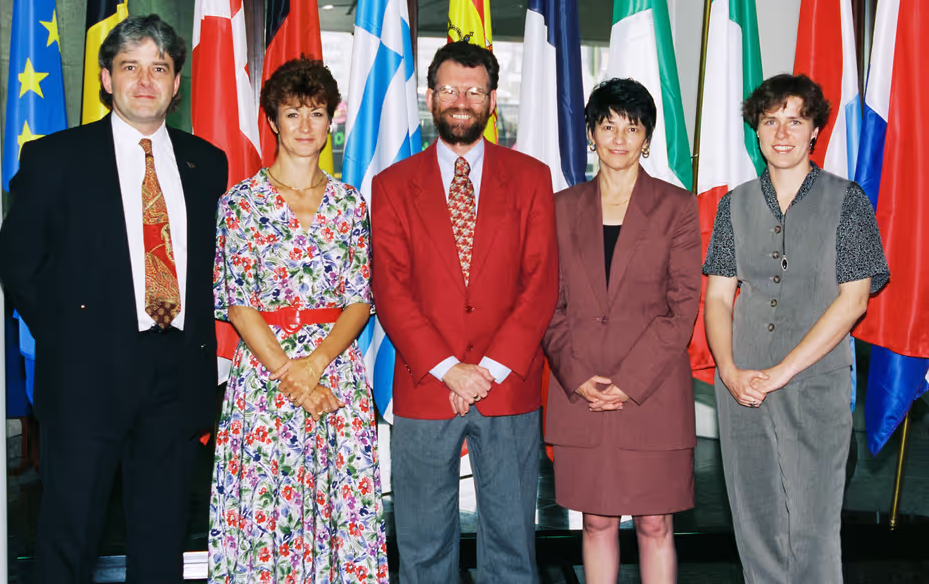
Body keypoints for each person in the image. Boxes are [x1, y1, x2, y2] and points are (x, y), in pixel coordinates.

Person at [0, 14, 228, 583]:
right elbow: (18, 264)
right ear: (106, 79)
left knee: (161, 542)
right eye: (130, 67)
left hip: (175, 376)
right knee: (68, 538)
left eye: (159, 69)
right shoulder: (54, 159)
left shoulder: (207, 164)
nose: (144, 81)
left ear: (177, 84)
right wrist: (72, 338)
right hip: (85, 378)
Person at [371, 41, 558, 583]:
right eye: (450, 89)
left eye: (474, 91)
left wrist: (488, 370)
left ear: (493, 100)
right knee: (424, 552)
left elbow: (540, 283)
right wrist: (451, 369)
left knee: (512, 551)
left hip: (509, 389)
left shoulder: (530, 178)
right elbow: (391, 289)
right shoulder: (391, 186)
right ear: (430, 96)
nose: (461, 100)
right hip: (426, 388)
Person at [703, 73, 889, 583]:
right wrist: (730, 369)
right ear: (756, 133)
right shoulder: (732, 204)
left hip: (815, 383)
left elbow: (854, 301)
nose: (782, 132)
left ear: (814, 132)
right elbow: (718, 296)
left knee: (813, 527)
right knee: (756, 522)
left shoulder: (847, 200)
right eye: (770, 121)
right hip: (741, 384)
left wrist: (783, 370)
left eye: (795, 120)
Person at [209, 57, 388, 583]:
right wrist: (293, 372)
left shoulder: (350, 204)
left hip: (335, 374)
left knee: (341, 508)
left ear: (331, 119)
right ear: (272, 121)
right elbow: (238, 302)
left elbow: (360, 299)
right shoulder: (240, 204)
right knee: (269, 513)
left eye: (316, 113)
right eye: (293, 114)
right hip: (266, 379)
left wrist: (317, 364)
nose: (305, 126)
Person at [542, 78, 701, 583]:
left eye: (631, 128)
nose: (618, 138)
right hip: (580, 389)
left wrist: (627, 383)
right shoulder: (560, 208)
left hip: (651, 393)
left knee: (656, 523)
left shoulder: (677, 208)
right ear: (590, 132)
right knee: (595, 521)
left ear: (646, 138)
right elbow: (547, 302)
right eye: (607, 126)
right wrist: (578, 374)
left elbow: (682, 307)